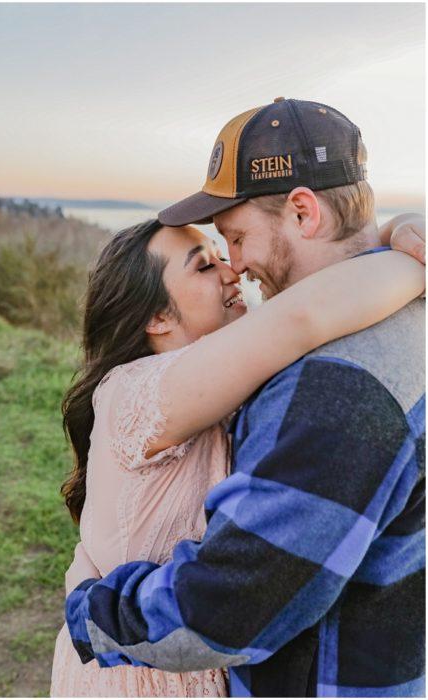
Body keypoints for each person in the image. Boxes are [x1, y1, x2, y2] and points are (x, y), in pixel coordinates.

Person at [62, 98, 425, 697]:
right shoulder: (392, 321)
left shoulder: (334, 383)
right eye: (209, 260)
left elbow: (229, 608)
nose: (235, 267)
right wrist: (401, 253)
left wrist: (88, 610)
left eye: (233, 239)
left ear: (303, 213)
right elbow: (297, 319)